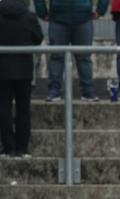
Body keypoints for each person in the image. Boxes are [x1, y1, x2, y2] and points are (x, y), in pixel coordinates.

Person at [34, 0, 104, 102]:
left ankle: (87, 91)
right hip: (62, 18)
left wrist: (101, 9)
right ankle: (56, 91)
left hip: (79, 18)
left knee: (82, 57)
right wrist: (42, 12)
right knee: (59, 57)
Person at [0, 0, 43, 158]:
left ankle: (8, 147)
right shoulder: (29, 16)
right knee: (23, 109)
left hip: (2, 69)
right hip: (23, 69)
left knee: (3, 109)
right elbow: (38, 38)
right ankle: (22, 148)